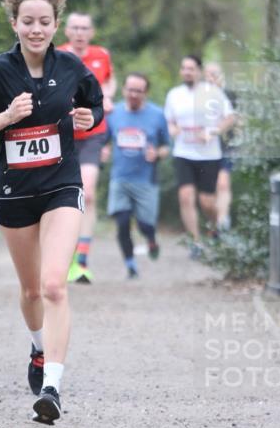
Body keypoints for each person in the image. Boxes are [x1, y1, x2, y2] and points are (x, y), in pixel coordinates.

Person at [0, 0, 104, 425]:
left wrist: (89, 117)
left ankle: (52, 388)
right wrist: (3, 119)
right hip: (15, 193)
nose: (36, 29)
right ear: (14, 24)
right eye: (28, 22)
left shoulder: (71, 66)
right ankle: (39, 349)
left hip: (61, 186)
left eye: (44, 22)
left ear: (56, 25)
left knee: (55, 285)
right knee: (32, 290)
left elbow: (95, 106)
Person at [59, 12, 115, 283]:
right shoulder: (56, 55)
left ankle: (80, 261)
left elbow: (109, 80)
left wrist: (108, 96)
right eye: (75, 28)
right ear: (66, 31)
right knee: (63, 194)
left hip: (93, 132)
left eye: (85, 28)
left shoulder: (101, 55)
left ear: (91, 32)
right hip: (62, 133)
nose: (80, 33)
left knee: (88, 193)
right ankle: (62, 256)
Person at [164, 55, 234, 258]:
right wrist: (172, 129)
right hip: (183, 153)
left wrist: (213, 132)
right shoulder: (174, 94)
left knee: (206, 202)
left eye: (191, 68)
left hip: (208, 155)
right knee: (185, 196)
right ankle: (195, 242)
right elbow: (169, 121)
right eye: (184, 68)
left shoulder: (213, 92)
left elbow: (230, 118)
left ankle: (215, 227)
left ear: (199, 71)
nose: (187, 72)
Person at [101, 73, 169, 279]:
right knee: (122, 222)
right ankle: (131, 266)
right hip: (120, 178)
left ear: (145, 93)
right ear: (123, 90)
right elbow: (104, 141)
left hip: (146, 179)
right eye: (130, 90)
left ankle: (151, 238)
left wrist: (157, 153)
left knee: (144, 224)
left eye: (138, 91)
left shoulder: (157, 115)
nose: (133, 94)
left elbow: (167, 146)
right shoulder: (114, 113)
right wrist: (104, 150)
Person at [203, 61, 237, 231]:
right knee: (207, 196)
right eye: (208, 75)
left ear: (221, 76)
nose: (211, 78)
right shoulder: (199, 96)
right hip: (204, 149)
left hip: (226, 146)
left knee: (223, 183)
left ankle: (223, 221)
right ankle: (215, 225)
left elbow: (239, 120)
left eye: (214, 74)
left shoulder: (230, 95)